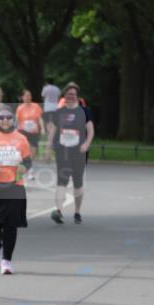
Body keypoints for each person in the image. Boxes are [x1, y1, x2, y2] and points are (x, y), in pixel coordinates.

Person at [0, 107, 32, 274]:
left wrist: (24, 168)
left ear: (13, 119)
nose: (5, 120)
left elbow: (27, 161)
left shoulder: (21, 139)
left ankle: (6, 260)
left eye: (8, 117)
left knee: (11, 225)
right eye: (1, 117)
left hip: (14, 186)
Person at [46, 82, 95, 225]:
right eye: (68, 94)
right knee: (62, 180)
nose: (71, 96)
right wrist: (48, 149)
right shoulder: (59, 112)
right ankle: (59, 211)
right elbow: (53, 131)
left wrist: (86, 144)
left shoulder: (84, 111)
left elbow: (90, 130)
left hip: (79, 151)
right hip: (63, 151)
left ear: (77, 96)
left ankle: (77, 212)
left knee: (78, 182)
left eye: (73, 94)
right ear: (64, 96)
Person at [15, 89, 44, 177]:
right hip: (23, 131)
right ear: (22, 97)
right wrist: (15, 131)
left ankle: (28, 166)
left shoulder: (36, 106)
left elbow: (39, 118)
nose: (28, 97)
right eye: (26, 96)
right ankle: (29, 170)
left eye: (29, 95)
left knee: (34, 151)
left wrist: (42, 128)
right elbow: (17, 121)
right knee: (26, 149)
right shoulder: (20, 108)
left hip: (34, 131)